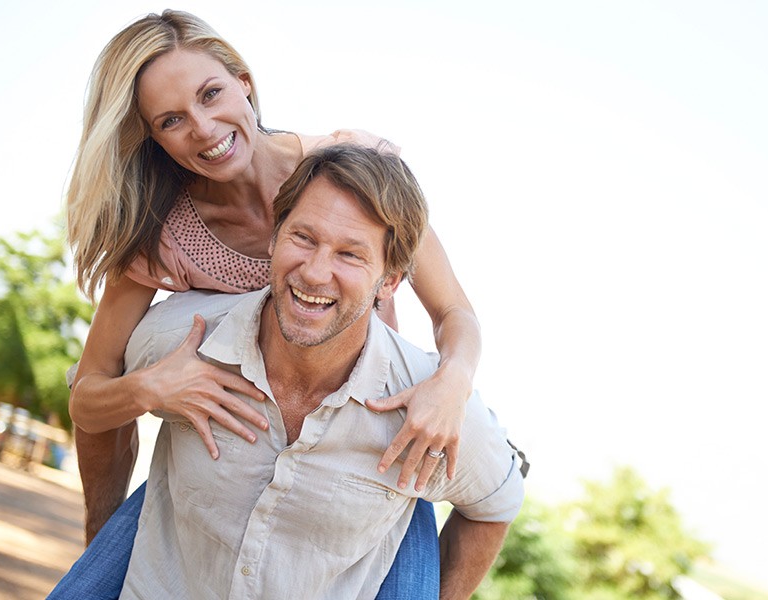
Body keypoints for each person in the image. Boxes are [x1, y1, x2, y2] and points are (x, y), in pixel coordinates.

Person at [57, 8, 482, 598]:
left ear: (244, 83)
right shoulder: (162, 233)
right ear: (151, 136)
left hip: (366, 468)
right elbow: (89, 394)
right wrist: (150, 389)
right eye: (171, 119)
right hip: (232, 469)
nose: (203, 128)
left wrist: (453, 380)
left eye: (211, 94)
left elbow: (455, 312)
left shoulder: (352, 173)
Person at [124, 144, 522, 598]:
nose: (314, 273)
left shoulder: (431, 406)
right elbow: (98, 398)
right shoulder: (179, 341)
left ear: (389, 280)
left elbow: (496, 503)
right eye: (303, 238)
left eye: (350, 255)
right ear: (274, 238)